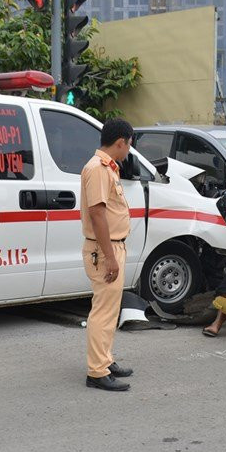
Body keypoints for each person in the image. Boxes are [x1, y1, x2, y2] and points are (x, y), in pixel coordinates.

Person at [82, 118, 135, 392]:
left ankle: (104, 359)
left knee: (110, 309)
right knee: (103, 311)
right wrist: (110, 257)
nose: (129, 150)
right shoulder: (98, 169)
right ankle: (97, 372)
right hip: (105, 250)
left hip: (112, 247)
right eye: (129, 145)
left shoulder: (108, 168)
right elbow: (97, 214)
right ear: (120, 142)